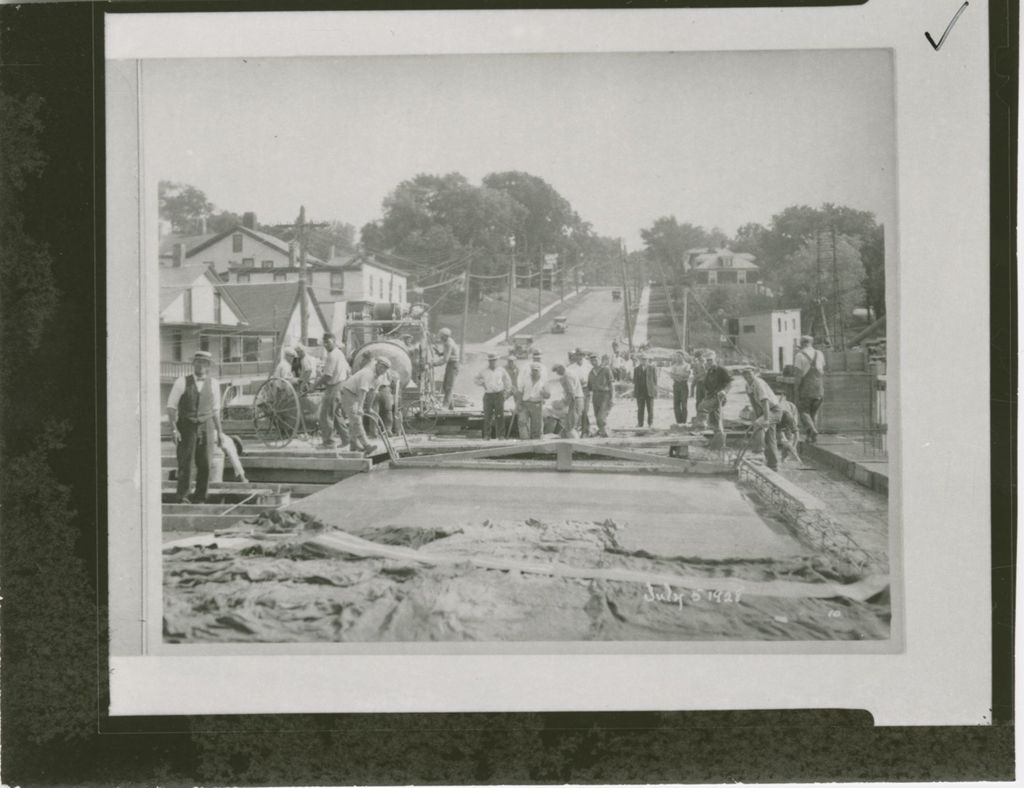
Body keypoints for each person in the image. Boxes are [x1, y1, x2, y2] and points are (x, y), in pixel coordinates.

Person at [166, 350, 224, 503]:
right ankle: (183, 496)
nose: (200, 365)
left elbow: (216, 410)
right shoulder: (181, 381)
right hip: (186, 426)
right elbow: (171, 408)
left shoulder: (215, 384)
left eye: (203, 363)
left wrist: (221, 433)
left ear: (208, 366)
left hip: (207, 426)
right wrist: (173, 429)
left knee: (205, 463)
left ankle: (200, 497)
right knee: (186, 463)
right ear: (193, 364)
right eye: (197, 362)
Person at [339, 356, 392, 454]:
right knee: (356, 419)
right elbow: (363, 391)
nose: (383, 370)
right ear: (377, 365)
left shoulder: (378, 379)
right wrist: (360, 407)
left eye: (385, 369)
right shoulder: (368, 374)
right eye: (381, 367)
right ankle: (367, 445)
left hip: (355, 394)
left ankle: (353, 444)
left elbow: (372, 393)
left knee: (354, 420)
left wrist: (369, 408)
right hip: (348, 392)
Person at [741, 366, 782, 471]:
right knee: (770, 437)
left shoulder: (759, 383)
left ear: (754, 373)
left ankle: (758, 452)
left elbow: (765, 402)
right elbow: (753, 402)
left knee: (759, 426)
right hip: (765, 411)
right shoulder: (747, 385)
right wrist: (757, 416)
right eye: (745, 374)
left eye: (749, 374)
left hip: (774, 410)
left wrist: (766, 419)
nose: (747, 376)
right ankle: (772, 464)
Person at [316, 333, 350, 449]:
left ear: (334, 342)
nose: (326, 345)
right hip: (341, 385)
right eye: (324, 343)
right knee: (336, 415)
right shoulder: (340, 353)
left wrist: (315, 385)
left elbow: (328, 376)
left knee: (325, 415)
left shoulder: (332, 355)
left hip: (334, 386)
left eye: (328, 342)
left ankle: (328, 442)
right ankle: (346, 439)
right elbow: (348, 371)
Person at [793, 335, 826, 443]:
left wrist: (796, 388)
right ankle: (811, 437)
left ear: (801, 343)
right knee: (813, 413)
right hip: (819, 387)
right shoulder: (819, 353)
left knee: (802, 411)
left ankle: (812, 430)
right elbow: (822, 369)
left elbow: (798, 375)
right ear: (811, 343)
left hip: (807, 388)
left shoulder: (799, 355)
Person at [474, 351, 513, 440]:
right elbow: (476, 379)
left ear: (497, 360)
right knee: (488, 416)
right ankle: (487, 435)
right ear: (488, 361)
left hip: (499, 394)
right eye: (491, 360)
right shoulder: (484, 371)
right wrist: (482, 383)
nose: (492, 362)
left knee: (500, 416)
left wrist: (506, 393)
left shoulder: (501, 370)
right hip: (488, 395)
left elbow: (508, 381)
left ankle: (501, 435)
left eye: (494, 360)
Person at [698, 351, 732, 438]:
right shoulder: (709, 371)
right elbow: (707, 385)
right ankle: (716, 436)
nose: (709, 362)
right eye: (707, 360)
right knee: (713, 417)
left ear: (715, 359)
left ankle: (719, 436)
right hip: (710, 396)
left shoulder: (721, 370)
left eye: (711, 360)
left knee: (709, 411)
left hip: (719, 396)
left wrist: (724, 391)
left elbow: (729, 383)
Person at [516, 362, 550, 439]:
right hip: (526, 403)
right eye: (533, 370)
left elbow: (548, 395)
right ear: (531, 371)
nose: (534, 372)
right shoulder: (525, 379)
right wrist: (519, 404)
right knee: (522, 421)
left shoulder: (544, 381)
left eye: (536, 370)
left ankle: (536, 441)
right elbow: (520, 391)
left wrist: (544, 393)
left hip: (537, 404)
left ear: (539, 371)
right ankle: (525, 440)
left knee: (537, 425)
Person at [432, 327, 460, 409]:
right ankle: (451, 406)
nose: (439, 338)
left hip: (453, 365)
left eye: (440, 336)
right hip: (451, 364)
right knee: (446, 386)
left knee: (449, 386)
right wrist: (440, 353)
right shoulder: (448, 341)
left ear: (444, 336)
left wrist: (433, 364)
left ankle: (445, 406)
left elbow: (445, 360)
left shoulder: (448, 343)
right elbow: (448, 352)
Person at [589, 354, 615, 437]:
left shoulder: (606, 369)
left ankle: (605, 434)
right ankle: (603, 433)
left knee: (601, 417)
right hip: (595, 396)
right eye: (592, 361)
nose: (594, 362)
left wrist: (613, 398)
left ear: (600, 360)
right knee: (597, 417)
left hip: (605, 395)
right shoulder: (591, 372)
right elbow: (589, 387)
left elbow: (611, 384)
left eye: (596, 360)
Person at [551, 364, 579, 438]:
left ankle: (574, 441)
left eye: (557, 371)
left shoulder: (566, 377)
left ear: (561, 368)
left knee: (570, 426)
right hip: (573, 400)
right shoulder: (569, 374)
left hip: (572, 402)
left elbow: (571, 393)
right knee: (568, 426)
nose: (557, 373)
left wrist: (565, 404)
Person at [565, 350, 588, 435]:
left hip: (586, 389)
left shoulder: (587, 365)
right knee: (575, 411)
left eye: (581, 355)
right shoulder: (570, 367)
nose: (579, 357)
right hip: (576, 391)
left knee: (585, 411)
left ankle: (584, 431)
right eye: (577, 355)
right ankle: (576, 430)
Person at [632, 353, 657, 428]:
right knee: (640, 409)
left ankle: (650, 423)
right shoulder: (636, 369)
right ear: (640, 360)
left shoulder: (652, 368)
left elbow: (655, 381)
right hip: (640, 392)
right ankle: (640, 423)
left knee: (650, 408)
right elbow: (635, 381)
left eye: (645, 359)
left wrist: (654, 391)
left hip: (649, 391)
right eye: (642, 359)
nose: (644, 361)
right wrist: (635, 392)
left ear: (647, 360)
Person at [668, 351, 692, 426]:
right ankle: (678, 422)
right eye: (677, 356)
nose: (678, 358)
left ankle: (684, 422)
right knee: (676, 404)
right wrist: (678, 376)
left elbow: (686, 375)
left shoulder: (687, 365)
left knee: (684, 404)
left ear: (683, 356)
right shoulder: (674, 365)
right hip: (676, 385)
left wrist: (677, 375)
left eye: (679, 356)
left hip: (683, 385)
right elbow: (671, 375)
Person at [690, 351, 708, 426]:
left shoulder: (707, 362)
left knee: (706, 400)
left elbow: (707, 372)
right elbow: (694, 374)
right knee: (699, 400)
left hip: (706, 383)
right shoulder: (696, 364)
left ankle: (706, 417)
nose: (700, 358)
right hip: (699, 383)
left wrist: (699, 375)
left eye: (701, 357)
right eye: (698, 357)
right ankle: (699, 416)